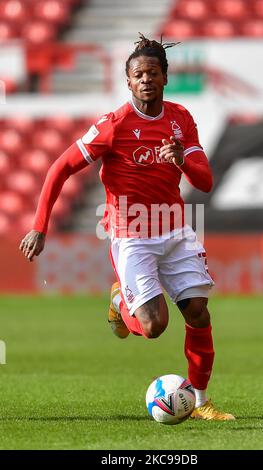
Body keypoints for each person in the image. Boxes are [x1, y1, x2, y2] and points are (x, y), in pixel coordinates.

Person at [20, 34, 235, 421]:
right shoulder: (114, 125)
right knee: (154, 327)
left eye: (153, 72)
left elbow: (204, 181)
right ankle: (120, 302)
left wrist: (182, 161)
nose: (146, 79)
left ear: (166, 77)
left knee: (199, 313)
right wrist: (40, 226)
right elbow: (60, 168)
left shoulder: (180, 119)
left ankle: (201, 402)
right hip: (131, 235)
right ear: (129, 81)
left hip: (175, 232)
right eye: (139, 74)